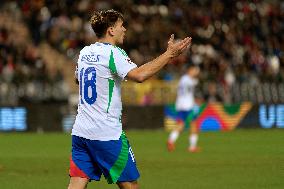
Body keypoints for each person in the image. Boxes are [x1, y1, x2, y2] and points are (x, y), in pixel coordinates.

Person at [68, 9, 192, 189]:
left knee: (77, 184)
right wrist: (169, 54)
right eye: (121, 25)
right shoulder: (113, 53)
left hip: (81, 132)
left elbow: (78, 79)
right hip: (106, 134)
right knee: (131, 186)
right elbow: (139, 75)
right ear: (111, 30)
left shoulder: (85, 52)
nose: (124, 29)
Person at [167, 64, 201, 153]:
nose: (194, 72)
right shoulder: (188, 79)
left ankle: (171, 140)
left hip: (180, 105)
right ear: (190, 70)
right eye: (193, 70)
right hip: (188, 106)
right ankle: (192, 147)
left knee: (181, 125)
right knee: (193, 124)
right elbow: (193, 84)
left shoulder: (183, 79)